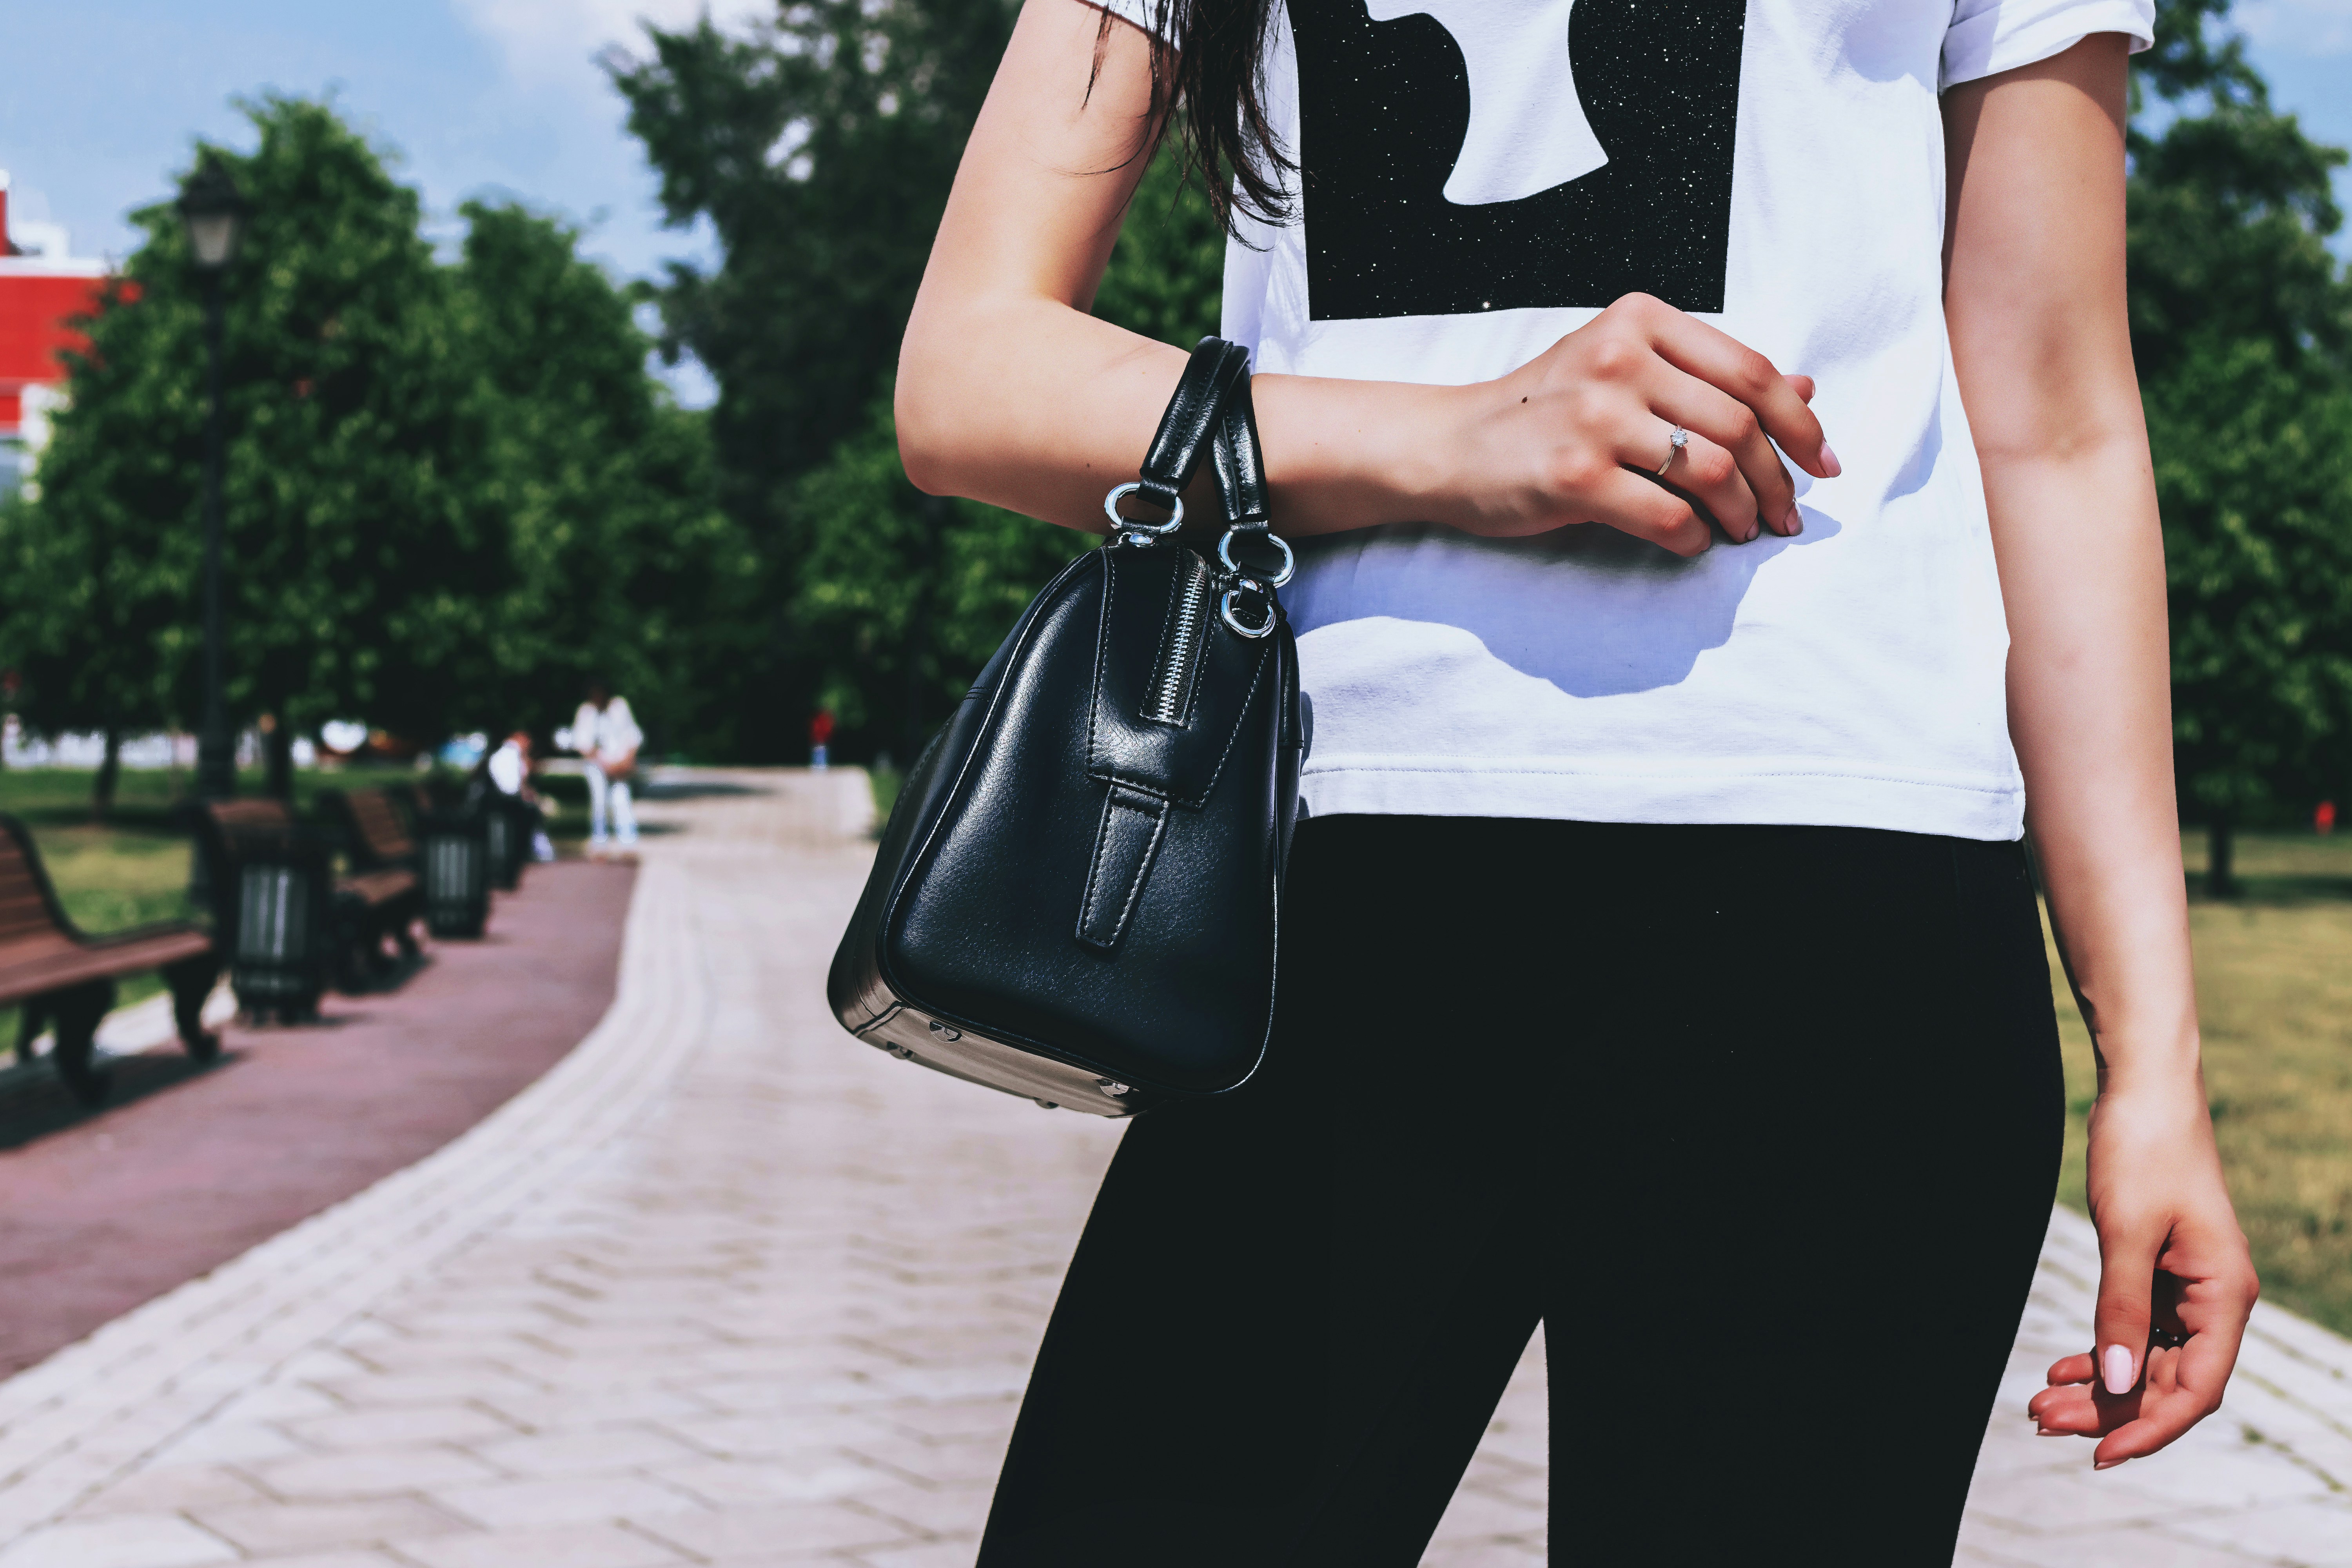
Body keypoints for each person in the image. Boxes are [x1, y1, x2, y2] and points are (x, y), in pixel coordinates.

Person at [895, 0, 2259, 1563]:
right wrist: (1453, 441)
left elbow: (2058, 417)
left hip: (1843, 917)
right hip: (1334, 898)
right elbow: (967, 373)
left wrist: (2155, 1063)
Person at [569, 683, 642, 853]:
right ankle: (600, 844)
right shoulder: (586, 712)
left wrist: (627, 760)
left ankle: (628, 844)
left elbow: (632, 735)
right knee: (599, 802)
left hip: (620, 763)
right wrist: (605, 763)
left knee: (622, 801)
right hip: (597, 765)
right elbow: (582, 742)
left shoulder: (620, 706)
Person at [483, 730, 557, 862]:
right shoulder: (512, 754)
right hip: (509, 802)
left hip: (501, 800)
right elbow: (513, 787)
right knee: (533, 816)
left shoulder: (502, 754)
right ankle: (541, 853)